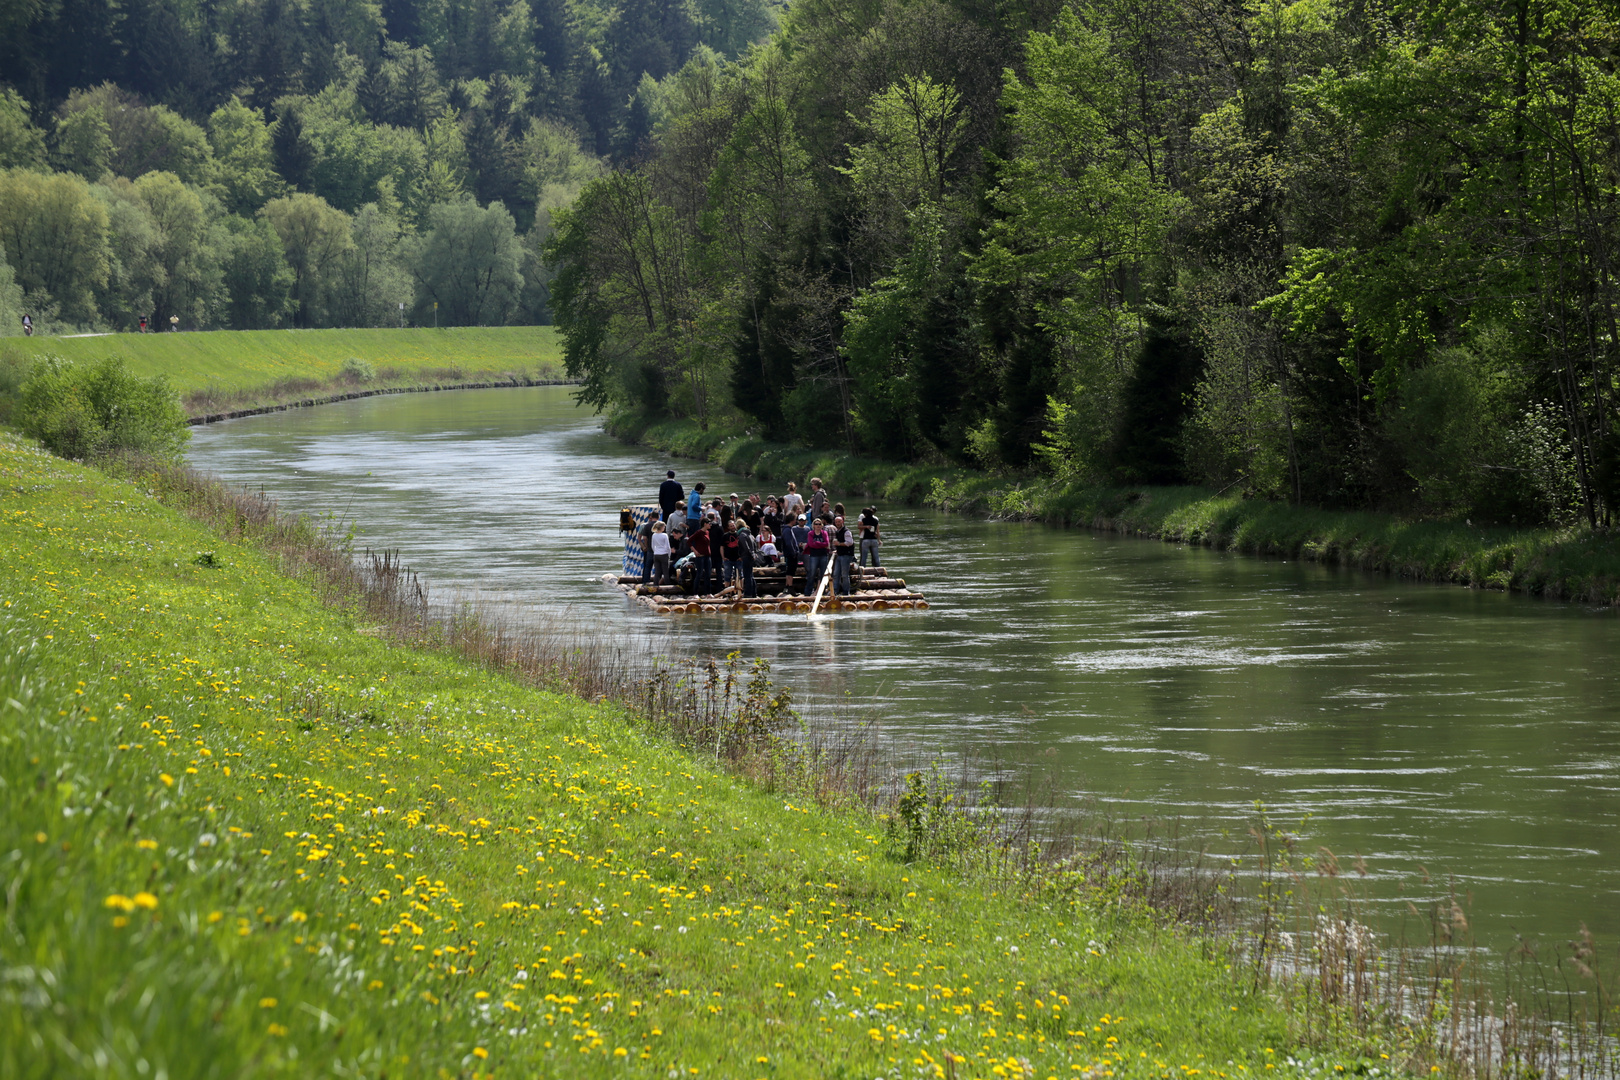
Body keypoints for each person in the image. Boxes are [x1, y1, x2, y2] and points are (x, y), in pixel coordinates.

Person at [802, 518, 831, 595]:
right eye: (816, 524)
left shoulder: (824, 533)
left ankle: (823, 590)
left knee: (823, 573)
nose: (818, 526)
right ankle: (808, 591)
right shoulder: (810, 533)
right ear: (813, 526)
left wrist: (816, 543)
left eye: (819, 524)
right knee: (812, 573)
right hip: (814, 555)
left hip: (823, 555)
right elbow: (811, 544)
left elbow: (826, 543)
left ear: (821, 525)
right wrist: (821, 544)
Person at [830, 514, 856, 596]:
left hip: (846, 555)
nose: (837, 523)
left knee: (844, 574)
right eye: (836, 522)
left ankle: (846, 592)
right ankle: (835, 591)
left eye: (839, 521)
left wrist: (839, 544)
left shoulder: (846, 531)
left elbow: (849, 543)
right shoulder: (838, 531)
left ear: (842, 522)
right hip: (839, 554)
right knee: (836, 574)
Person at [689, 516, 715, 594]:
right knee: (699, 574)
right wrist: (695, 551)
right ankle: (695, 593)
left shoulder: (707, 532)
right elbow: (689, 541)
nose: (710, 525)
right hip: (700, 556)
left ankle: (708, 593)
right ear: (705, 524)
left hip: (707, 556)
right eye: (709, 523)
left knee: (708, 574)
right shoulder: (699, 532)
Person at [779, 513, 805, 592]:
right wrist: (793, 552)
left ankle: (788, 586)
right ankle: (790, 587)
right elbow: (788, 543)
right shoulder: (787, 530)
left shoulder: (788, 529)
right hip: (791, 554)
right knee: (790, 571)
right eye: (795, 519)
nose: (796, 521)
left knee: (790, 570)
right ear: (792, 520)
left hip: (790, 553)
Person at [650, 520, 672, 585]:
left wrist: (655, 551)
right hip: (664, 554)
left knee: (657, 571)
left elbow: (652, 546)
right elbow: (668, 547)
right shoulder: (664, 535)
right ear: (661, 527)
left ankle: (655, 585)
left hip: (656, 554)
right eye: (664, 527)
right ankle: (667, 586)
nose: (664, 528)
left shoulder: (654, 535)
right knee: (665, 572)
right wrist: (669, 555)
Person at [636, 518, 655, 584]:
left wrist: (644, 547)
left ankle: (645, 581)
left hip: (648, 548)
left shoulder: (644, 525)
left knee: (647, 565)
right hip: (656, 549)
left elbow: (641, 538)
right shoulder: (659, 525)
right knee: (657, 566)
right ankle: (657, 582)